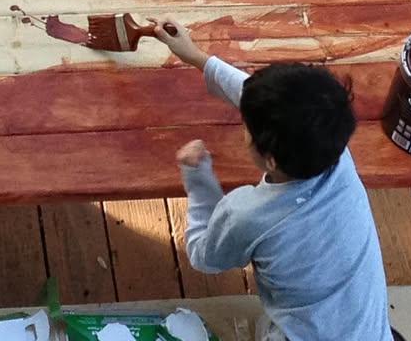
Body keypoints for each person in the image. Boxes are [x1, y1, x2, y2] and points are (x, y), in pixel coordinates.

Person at [155, 21, 394, 341]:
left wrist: (197, 178)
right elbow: (272, 104)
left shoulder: (249, 214)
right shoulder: (334, 150)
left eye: (247, 127)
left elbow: (202, 254)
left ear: (270, 160)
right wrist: (198, 58)